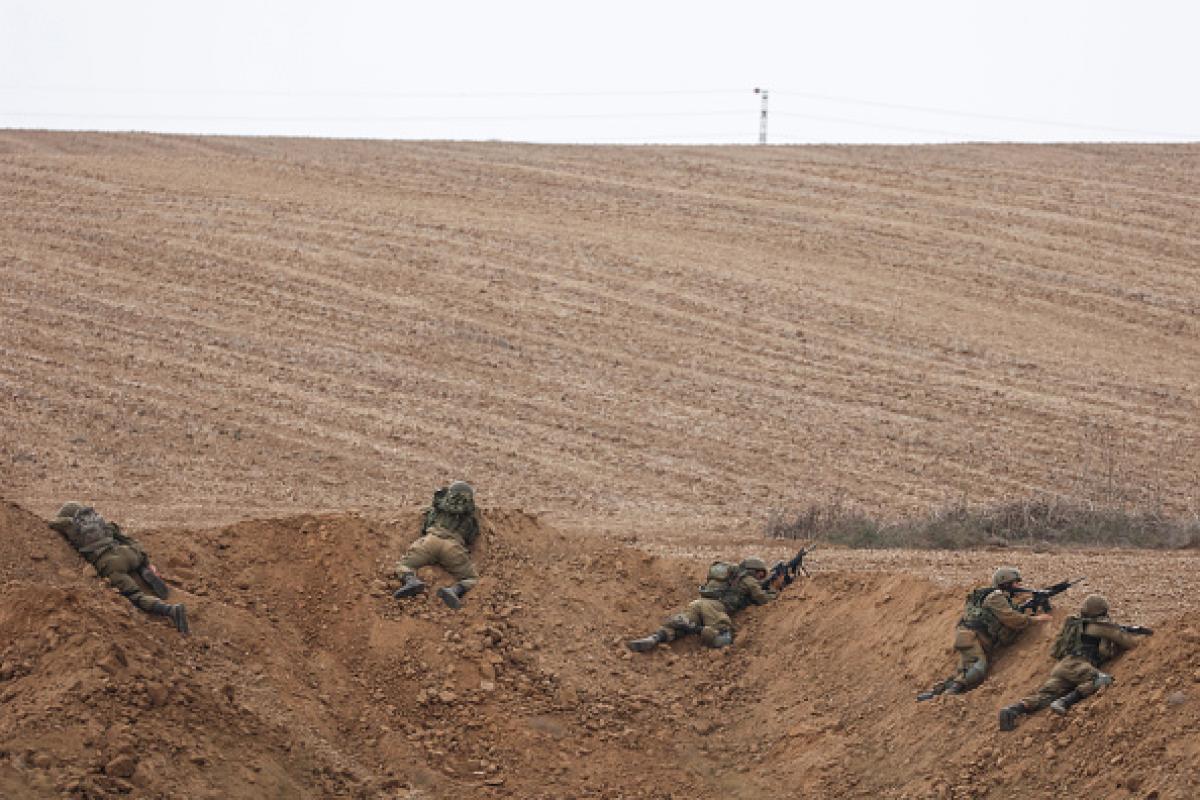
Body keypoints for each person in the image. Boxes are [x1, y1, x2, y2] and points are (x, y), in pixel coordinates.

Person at [998, 594, 1149, 731]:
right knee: (1103, 680)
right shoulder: (1101, 627)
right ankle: (1064, 702)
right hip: (1079, 665)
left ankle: (1012, 710)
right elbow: (1130, 642)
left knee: (1045, 695)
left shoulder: (1074, 625)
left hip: (1063, 666)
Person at [49, 502, 189, 634]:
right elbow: (121, 534)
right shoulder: (98, 522)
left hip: (110, 563)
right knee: (134, 558)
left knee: (135, 596)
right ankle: (143, 569)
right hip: (126, 551)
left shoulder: (72, 527)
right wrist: (146, 561)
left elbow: (54, 524)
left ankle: (171, 610)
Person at [917, 567, 1047, 701]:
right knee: (978, 668)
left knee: (965, 672)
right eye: (1016, 583)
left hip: (973, 638)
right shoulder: (996, 597)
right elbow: (1011, 618)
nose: (1019, 586)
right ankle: (949, 694)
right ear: (1006, 584)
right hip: (971, 637)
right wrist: (1035, 619)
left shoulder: (1000, 598)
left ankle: (934, 695)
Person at [626, 556, 777, 652]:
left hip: (699, 602)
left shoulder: (730, 577)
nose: (760, 578)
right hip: (715, 607)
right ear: (753, 570)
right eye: (760, 574)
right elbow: (763, 599)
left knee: (679, 628)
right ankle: (696, 629)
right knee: (722, 639)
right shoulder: (748, 580)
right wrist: (777, 592)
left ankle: (656, 637)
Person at [392, 481, 481, 610]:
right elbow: (471, 538)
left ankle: (411, 581)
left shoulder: (438, 508)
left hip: (430, 541)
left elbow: (425, 526)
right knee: (471, 578)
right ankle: (454, 591)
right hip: (453, 548)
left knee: (404, 565)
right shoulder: (470, 517)